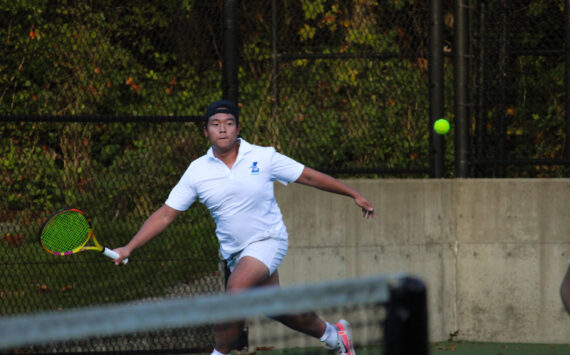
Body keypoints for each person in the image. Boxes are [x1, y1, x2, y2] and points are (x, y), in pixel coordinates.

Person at [113, 100, 375, 355]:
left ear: (238, 129)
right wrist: (129, 247)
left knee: (235, 292)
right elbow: (166, 214)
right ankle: (333, 334)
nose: (223, 128)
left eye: (229, 123)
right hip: (236, 253)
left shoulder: (263, 157)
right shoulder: (196, 171)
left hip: (268, 240)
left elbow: (307, 175)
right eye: (215, 124)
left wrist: (353, 193)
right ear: (206, 131)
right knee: (275, 307)